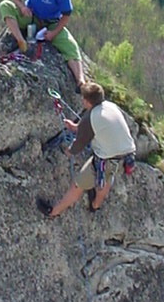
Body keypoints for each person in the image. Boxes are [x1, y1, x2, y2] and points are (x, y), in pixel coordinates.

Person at [37, 81, 135, 218]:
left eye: (83, 98)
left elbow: (79, 144)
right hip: (126, 152)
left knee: (78, 184)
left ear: (87, 101)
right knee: (108, 175)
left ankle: (53, 212)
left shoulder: (90, 117)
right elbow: (97, 125)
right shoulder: (110, 106)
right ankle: (95, 205)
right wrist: (75, 127)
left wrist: (69, 151)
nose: (82, 100)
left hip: (107, 157)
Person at [0, 0, 85, 89]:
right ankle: (21, 40)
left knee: (70, 46)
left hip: (51, 23)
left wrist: (54, 33)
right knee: (5, 5)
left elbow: (66, 14)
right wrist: (22, 7)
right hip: (31, 18)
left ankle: (80, 81)